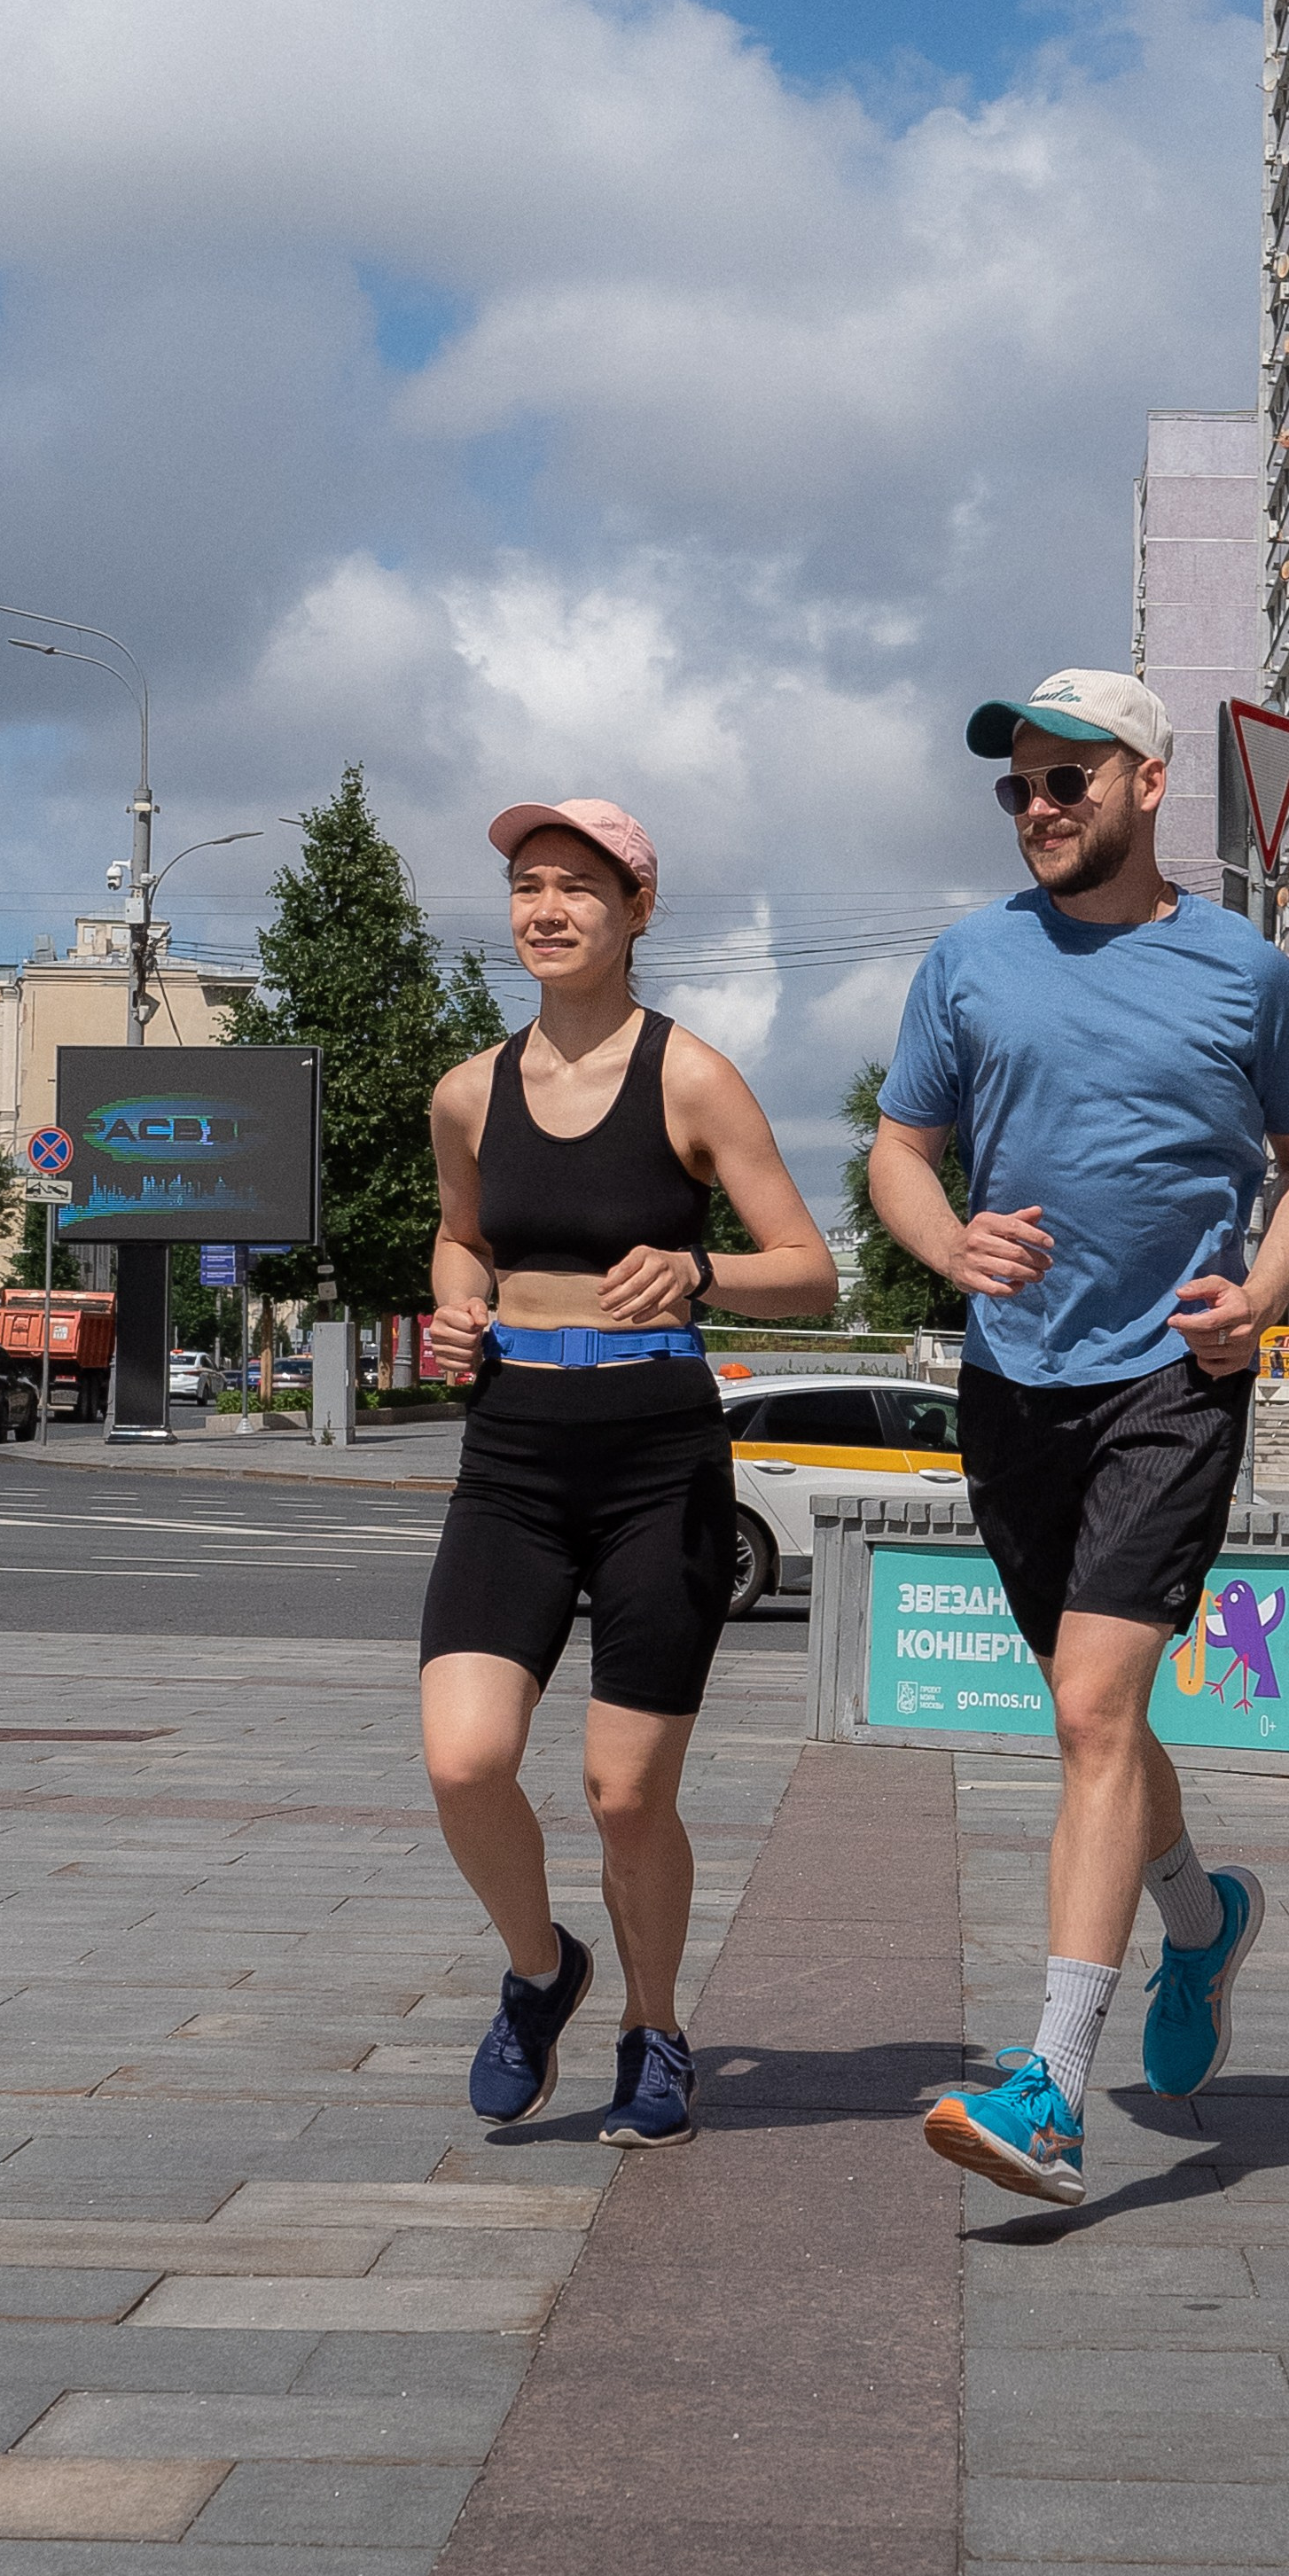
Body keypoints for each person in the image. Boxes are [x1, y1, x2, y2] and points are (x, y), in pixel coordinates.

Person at [869, 667, 1289, 2207]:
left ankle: (1051, 2094)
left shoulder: (1244, 974)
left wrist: (1260, 1294)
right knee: (1104, 1722)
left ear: (1148, 785)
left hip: (1173, 1376)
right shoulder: (965, 962)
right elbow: (899, 1148)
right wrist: (947, 1248)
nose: (1038, 806)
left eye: (1068, 777)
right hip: (1013, 1383)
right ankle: (1197, 1921)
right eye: (1017, 784)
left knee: (1087, 1714)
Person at [420, 797, 835, 2144]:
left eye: (578, 888)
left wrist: (701, 1267)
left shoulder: (693, 1077)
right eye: (528, 885)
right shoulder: (467, 1093)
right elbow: (460, 1240)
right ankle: (542, 1971)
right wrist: (456, 1307)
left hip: (659, 1458)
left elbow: (812, 1272)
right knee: (465, 1759)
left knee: (622, 1791)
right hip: (512, 1454)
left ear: (636, 912)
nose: (547, 909)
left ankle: (653, 2030)